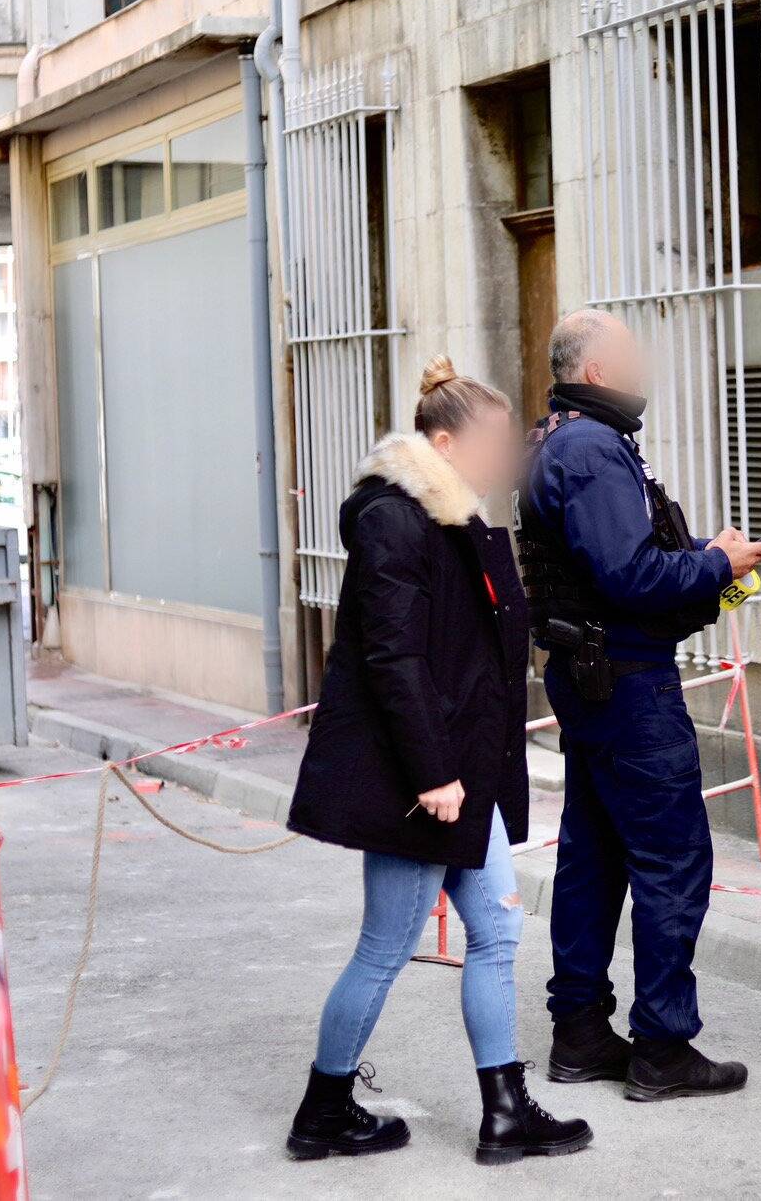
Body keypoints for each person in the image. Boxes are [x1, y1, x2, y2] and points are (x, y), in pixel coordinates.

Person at [284, 356, 591, 1167]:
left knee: (495, 928)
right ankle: (323, 1110)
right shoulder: (396, 520)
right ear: (444, 444)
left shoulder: (458, 520)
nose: (504, 459)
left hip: (465, 772)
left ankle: (505, 1114)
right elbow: (395, 658)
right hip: (424, 780)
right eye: (491, 443)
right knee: (387, 945)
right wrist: (432, 775)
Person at [520, 309, 761, 1100]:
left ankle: (581, 1035)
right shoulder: (592, 449)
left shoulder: (561, 440)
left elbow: (611, 565)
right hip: (627, 684)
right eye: (630, 355)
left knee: (593, 856)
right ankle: (662, 1047)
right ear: (596, 371)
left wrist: (708, 560)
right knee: (671, 859)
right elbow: (630, 577)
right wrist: (717, 562)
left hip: (594, 678)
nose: (643, 368)